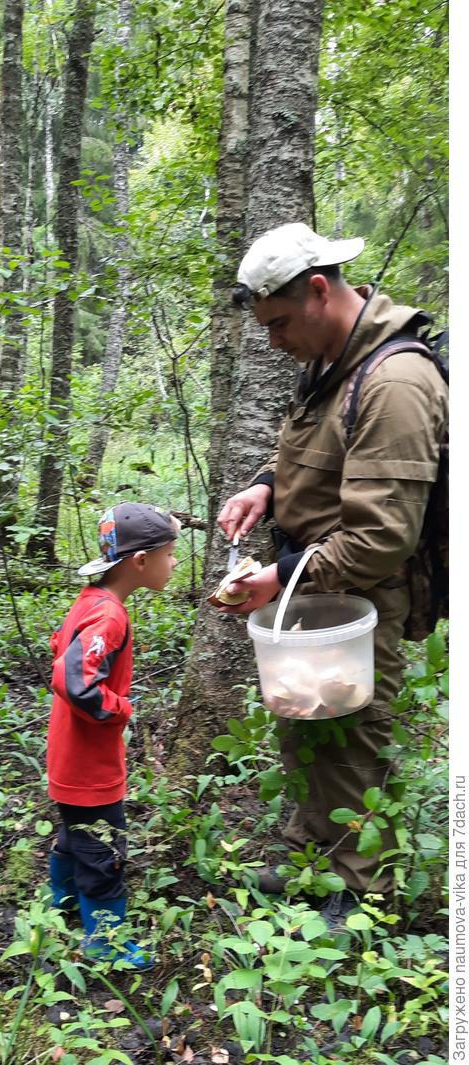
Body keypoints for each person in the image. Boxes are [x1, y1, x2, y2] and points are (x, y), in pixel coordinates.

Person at [217, 222, 448, 928]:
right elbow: (315, 448)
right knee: (305, 720)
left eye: (279, 323)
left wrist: (280, 577)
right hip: (316, 581)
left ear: (319, 290)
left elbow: (381, 537)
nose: (273, 341)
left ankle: (362, 892)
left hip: (361, 591)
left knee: (352, 733)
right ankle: (308, 858)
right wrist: (265, 486)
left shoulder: (395, 381)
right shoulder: (328, 359)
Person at [46, 501, 180, 968]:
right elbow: (75, 682)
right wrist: (121, 708)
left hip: (69, 756)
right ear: (140, 561)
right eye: (170, 554)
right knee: (103, 849)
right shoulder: (110, 616)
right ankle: (105, 942)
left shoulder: (92, 600)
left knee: (77, 834)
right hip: (89, 765)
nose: (174, 563)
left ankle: (62, 899)